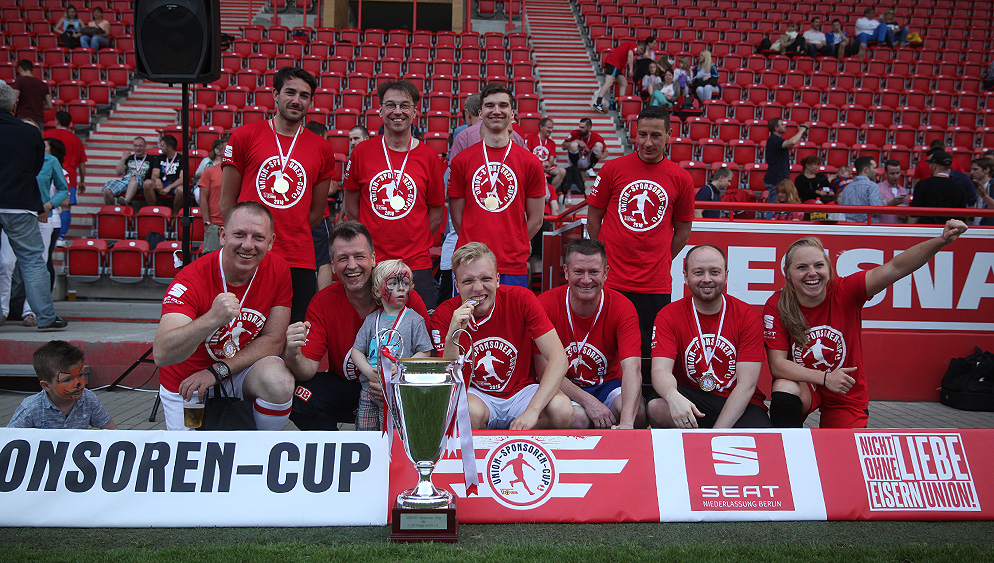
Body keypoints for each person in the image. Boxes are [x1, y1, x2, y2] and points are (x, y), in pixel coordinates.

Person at [766, 221, 969, 428]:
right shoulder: (778, 304)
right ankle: (789, 445)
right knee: (784, 388)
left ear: (828, 268)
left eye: (819, 265)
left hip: (846, 388)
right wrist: (825, 378)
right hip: (808, 383)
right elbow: (777, 365)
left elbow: (896, 267)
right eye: (802, 267)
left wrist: (941, 240)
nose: (812, 273)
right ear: (788, 273)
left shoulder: (847, 290)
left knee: (843, 447)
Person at [154, 201, 296, 431]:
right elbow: (162, 353)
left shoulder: (278, 269)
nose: (248, 245)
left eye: (258, 237)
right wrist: (212, 318)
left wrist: (217, 371)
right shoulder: (191, 279)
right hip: (188, 383)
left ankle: (262, 446)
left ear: (271, 242)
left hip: (235, 371)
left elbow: (274, 340)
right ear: (222, 235)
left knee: (279, 381)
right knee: (192, 452)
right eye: (239, 234)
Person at [284, 221, 430, 430]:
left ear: (373, 259)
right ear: (333, 265)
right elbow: (307, 371)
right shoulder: (323, 301)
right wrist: (292, 353)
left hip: (401, 386)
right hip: (351, 387)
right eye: (343, 258)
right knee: (302, 396)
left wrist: (398, 380)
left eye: (359, 256)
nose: (352, 265)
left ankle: (402, 445)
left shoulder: (403, 296)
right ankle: (336, 448)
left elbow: (428, 357)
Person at [221, 66, 334, 324]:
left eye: (304, 96)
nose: (296, 100)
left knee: (295, 333)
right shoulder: (244, 136)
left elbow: (316, 214)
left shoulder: (321, 148)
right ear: (275, 94)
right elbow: (227, 203)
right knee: (242, 330)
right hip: (250, 253)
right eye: (290, 92)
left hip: (298, 257)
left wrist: (291, 229)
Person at [586, 106, 694, 361]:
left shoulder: (681, 178)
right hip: (612, 280)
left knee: (648, 355)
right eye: (642, 134)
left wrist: (660, 258)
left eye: (656, 135)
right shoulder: (613, 169)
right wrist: (605, 257)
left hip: (654, 284)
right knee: (606, 353)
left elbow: (683, 232)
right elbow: (593, 219)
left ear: (669, 135)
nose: (647, 143)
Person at [431, 242, 572, 430]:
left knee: (562, 410)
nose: (478, 288)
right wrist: (452, 336)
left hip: (520, 393)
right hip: (477, 395)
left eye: (485, 278)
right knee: (467, 413)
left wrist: (532, 411)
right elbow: (447, 381)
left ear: (497, 279)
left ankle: (518, 441)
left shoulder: (521, 299)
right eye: (468, 281)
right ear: (456, 285)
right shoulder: (444, 314)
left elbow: (559, 358)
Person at [344, 80, 445, 310]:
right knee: (371, 325)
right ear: (380, 111)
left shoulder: (429, 157)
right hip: (373, 261)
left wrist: (413, 239)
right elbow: (351, 208)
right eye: (390, 105)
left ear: (415, 112)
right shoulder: (361, 153)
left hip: (416, 262)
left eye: (404, 106)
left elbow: (437, 213)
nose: (397, 111)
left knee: (422, 326)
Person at [648, 245, 771, 429]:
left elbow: (746, 385)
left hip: (738, 400)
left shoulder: (747, 316)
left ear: (726, 275)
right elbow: (660, 371)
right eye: (698, 272)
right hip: (693, 397)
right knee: (657, 407)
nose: (706, 279)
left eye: (714, 272)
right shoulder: (669, 315)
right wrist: (673, 397)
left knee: (762, 437)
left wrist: (716, 434)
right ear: (686, 276)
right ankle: (687, 445)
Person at [536, 239, 645, 429]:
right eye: (579, 271)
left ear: (606, 273)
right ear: (566, 271)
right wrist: (588, 401)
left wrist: (627, 424)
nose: (586, 280)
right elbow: (542, 369)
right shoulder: (545, 304)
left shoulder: (623, 307)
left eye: (594, 272)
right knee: (578, 419)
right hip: (563, 384)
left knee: (638, 413)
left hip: (608, 384)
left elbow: (632, 367)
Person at [448, 83, 546, 287]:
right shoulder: (461, 161)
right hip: (470, 263)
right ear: (480, 112)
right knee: (469, 310)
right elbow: (457, 217)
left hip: (512, 263)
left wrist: (516, 242)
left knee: (512, 310)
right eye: (489, 105)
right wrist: (472, 244)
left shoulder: (530, 162)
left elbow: (536, 219)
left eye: (503, 105)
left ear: (512, 113)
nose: (496, 111)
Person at [0, 82, 66, 331]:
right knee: (32, 262)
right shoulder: (29, 133)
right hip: (20, 204)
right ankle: (45, 318)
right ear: (14, 106)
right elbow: (37, 167)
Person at [350, 259, 433, 431]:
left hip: (399, 391)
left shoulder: (415, 320)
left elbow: (425, 352)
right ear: (377, 291)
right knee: (365, 433)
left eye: (405, 283)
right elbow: (356, 351)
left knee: (394, 434)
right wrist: (368, 371)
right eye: (393, 283)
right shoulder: (371, 320)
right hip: (369, 390)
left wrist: (401, 366)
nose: (401, 288)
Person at [7, 341, 116, 429]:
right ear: (46, 386)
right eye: (67, 379)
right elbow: (9, 440)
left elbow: (113, 432)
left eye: (81, 375)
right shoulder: (31, 408)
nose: (78, 383)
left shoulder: (89, 399)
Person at [44, 111, 87, 246]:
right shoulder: (76, 139)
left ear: (56, 121)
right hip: (69, 175)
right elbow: (82, 163)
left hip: (47, 173)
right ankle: (61, 237)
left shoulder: (47, 136)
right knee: (66, 206)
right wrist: (82, 181)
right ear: (70, 123)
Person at [908, 151, 968, 224]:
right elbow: (962, 216)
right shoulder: (959, 187)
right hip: (950, 227)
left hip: (927, 227)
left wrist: (909, 228)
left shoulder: (922, 185)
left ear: (934, 165)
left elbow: (914, 214)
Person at [593, 39, 649, 113]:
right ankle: (598, 102)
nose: (637, 55)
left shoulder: (629, 45)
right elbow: (630, 54)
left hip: (617, 66)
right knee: (609, 82)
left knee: (624, 83)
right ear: (640, 48)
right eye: (639, 53)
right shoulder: (634, 45)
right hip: (613, 63)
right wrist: (631, 69)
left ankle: (620, 104)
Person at [764, 118, 809, 209]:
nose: (785, 126)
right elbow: (792, 142)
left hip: (778, 179)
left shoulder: (776, 140)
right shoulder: (773, 140)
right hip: (776, 180)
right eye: (782, 124)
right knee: (773, 208)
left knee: (778, 207)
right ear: (776, 128)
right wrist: (801, 130)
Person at [102, 137, 156, 206]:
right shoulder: (129, 158)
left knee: (134, 177)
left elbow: (154, 176)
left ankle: (126, 201)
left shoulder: (151, 159)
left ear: (145, 146)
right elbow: (118, 173)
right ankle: (112, 211)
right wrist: (123, 159)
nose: (137, 148)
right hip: (126, 181)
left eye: (140, 146)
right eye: (135, 146)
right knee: (107, 191)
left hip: (141, 182)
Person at [198, 139, 227, 254]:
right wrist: (207, 222)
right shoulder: (209, 171)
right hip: (215, 224)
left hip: (236, 225)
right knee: (212, 260)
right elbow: (203, 199)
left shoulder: (242, 172)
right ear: (221, 151)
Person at [525, 117, 566, 200]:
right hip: (533, 166)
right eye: (548, 127)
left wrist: (548, 165)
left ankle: (550, 193)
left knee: (562, 171)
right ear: (541, 127)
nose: (550, 130)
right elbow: (527, 155)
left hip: (546, 167)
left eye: (552, 128)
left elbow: (551, 159)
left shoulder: (551, 143)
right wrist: (538, 165)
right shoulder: (530, 138)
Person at [837, 156, 886, 222]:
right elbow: (877, 209)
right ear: (866, 170)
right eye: (874, 168)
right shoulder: (872, 186)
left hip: (848, 226)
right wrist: (885, 202)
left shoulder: (847, 188)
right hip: (867, 226)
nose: (876, 171)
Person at [144, 134, 185, 213]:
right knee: (147, 183)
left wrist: (169, 187)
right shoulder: (160, 158)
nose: (160, 148)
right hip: (161, 184)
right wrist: (157, 180)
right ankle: (153, 211)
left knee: (181, 190)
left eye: (162, 146)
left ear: (169, 147)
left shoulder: (181, 159)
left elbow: (182, 178)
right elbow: (154, 174)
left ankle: (175, 214)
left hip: (174, 185)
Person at [563, 118, 608, 187]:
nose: (580, 129)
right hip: (575, 159)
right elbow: (563, 146)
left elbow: (606, 151)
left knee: (599, 145)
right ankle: (575, 169)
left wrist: (601, 156)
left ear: (589, 128)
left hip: (588, 159)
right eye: (579, 127)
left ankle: (590, 168)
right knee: (573, 144)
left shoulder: (596, 137)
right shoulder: (574, 133)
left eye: (582, 128)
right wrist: (576, 141)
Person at [11, 60, 52, 129]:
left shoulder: (19, 81)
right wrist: (37, 106)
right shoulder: (43, 85)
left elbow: (13, 99)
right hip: (38, 119)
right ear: (32, 70)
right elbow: (49, 105)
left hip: (23, 117)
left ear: (20, 68)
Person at [876, 159, 909, 224]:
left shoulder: (904, 191)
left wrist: (905, 216)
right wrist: (890, 204)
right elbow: (874, 210)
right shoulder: (877, 188)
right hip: (882, 227)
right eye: (892, 174)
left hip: (899, 227)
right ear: (885, 174)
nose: (896, 176)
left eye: (897, 173)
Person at [969, 157, 994, 226]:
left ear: (987, 170)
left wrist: (985, 196)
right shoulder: (974, 185)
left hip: (990, 228)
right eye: (971, 169)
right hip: (977, 225)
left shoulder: (992, 185)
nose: (971, 172)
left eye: (975, 169)